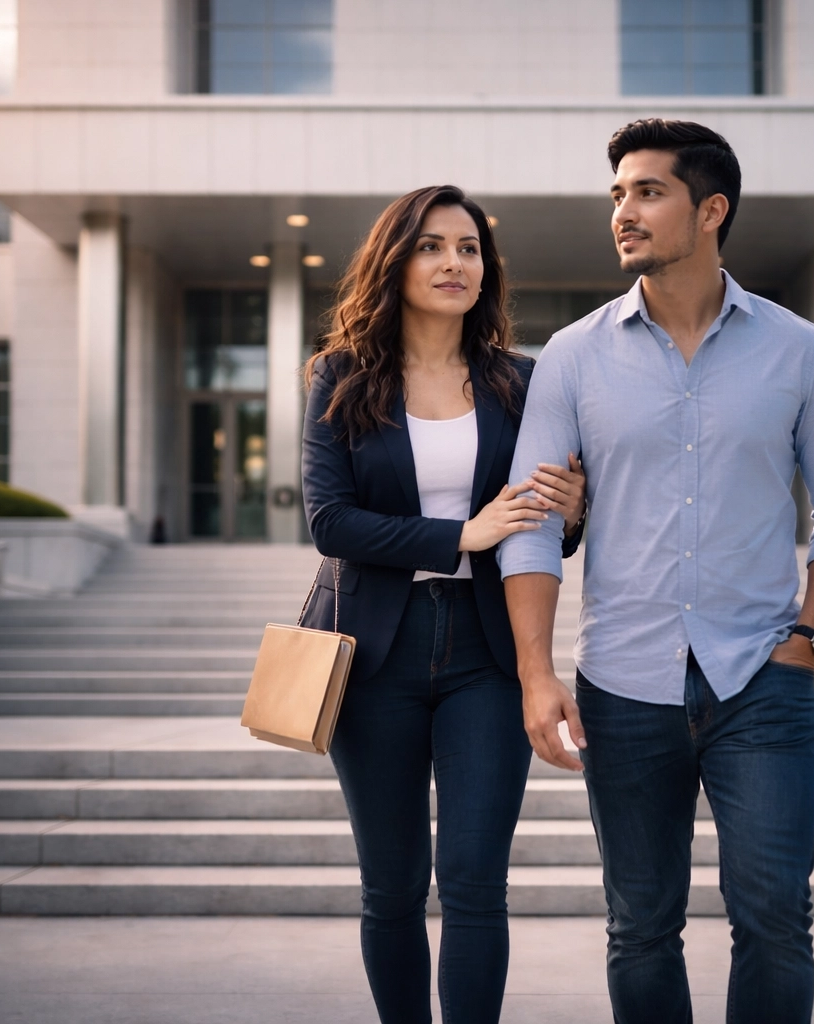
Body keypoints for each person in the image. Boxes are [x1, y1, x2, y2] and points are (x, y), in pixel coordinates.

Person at [499, 119, 814, 1023]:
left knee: (778, 922)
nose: (624, 212)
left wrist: (808, 642)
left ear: (712, 210)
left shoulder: (799, 350)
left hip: (764, 683)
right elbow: (530, 524)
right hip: (624, 687)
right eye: (617, 195)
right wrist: (536, 671)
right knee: (639, 927)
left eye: (647, 192)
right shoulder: (574, 357)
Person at [300, 184, 588, 1024]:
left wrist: (571, 514)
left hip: (487, 654)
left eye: (468, 248)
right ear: (395, 261)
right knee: (391, 887)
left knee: (473, 883)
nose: (453, 262)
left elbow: (543, 528)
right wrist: (459, 535)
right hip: (373, 654)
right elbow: (330, 520)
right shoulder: (339, 376)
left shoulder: (520, 383)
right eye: (431, 245)